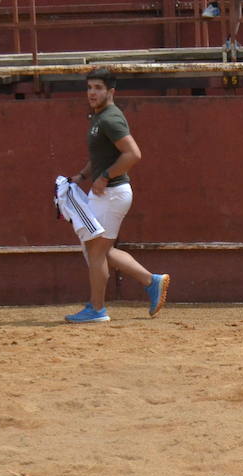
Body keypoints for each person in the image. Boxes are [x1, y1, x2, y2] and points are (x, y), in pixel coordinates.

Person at [63, 69, 171, 324]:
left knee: (95, 252)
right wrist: (82, 176)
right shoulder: (100, 117)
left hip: (111, 193)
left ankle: (97, 309)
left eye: (98, 87)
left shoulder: (110, 118)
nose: (92, 92)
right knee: (101, 249)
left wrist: (105, 177)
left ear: (111, 92)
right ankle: (151, 281)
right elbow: (101, 156)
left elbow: (133, 154)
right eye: (89, 87)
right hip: (108, 192)